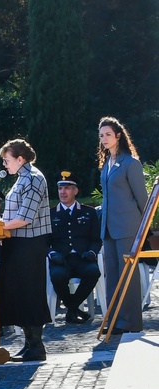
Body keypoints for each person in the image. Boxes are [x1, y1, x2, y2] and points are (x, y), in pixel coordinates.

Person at [0, 138, 51, 361]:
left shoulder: (34, 178)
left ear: (20, 159)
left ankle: (37, 347)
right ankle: (28, 343)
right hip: (16, 243)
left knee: (30, 292)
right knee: (19, 293)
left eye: (7, 160)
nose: (4, 164)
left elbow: (25, 218)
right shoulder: (21, 178)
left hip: (30, 244)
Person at [98, 116, 149, 335]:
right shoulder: (107, 163)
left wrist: (143, 230)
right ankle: (115, 319)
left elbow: (143, 199)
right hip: (109, 228)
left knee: (127, 275)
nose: (104, 139)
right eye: (101, 135)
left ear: (118, 135)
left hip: (128, 227)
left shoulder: (131, 163)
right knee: (112, 275)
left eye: (108, 134)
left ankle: (130, 323)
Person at [48, 171, 101, 324]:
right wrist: (52, 253)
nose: (62, 192)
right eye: (60, 188)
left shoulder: (89, 212)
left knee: (93, 272)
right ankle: (74, 309)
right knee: (58, 276)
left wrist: (92, 252)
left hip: (83, 257)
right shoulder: (50, 214)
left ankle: (71, 308)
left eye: (67, 188)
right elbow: (44, 242)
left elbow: (96, 239)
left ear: (75, 191)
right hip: (61, 259)